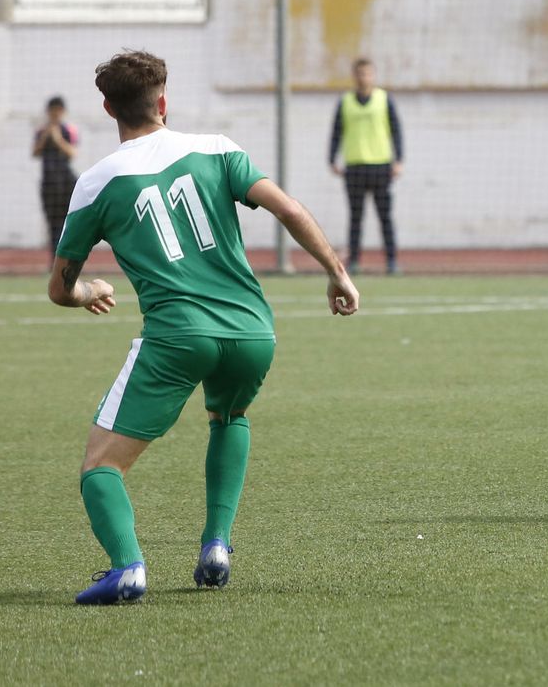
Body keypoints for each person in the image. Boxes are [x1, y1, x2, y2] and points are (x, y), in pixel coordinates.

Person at [48, 50, 360, 605]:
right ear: (163, 101)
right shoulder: (218, 149)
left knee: (100, 466)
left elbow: (59, 287)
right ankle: (217, 545)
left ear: (108, 108)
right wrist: (337, 272)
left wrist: (89, 291)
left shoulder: (98, 182)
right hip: (252, 332)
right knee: (230, 416)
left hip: (177, 336)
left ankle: (127, 568)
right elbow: (287, 209)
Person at [328, 57, 404, 274]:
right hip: (354, 167)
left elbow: (396, 130)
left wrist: (399, 160)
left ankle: (391, 260)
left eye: (368, 73)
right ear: (354, 76)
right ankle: (354, 261)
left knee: (385, 216)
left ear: (374, 75)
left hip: (381, 166)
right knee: (355, 217)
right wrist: (331, 158)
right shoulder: (345, 102)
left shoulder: (384, 99)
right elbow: (336, 131)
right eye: (360, 74)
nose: (364, 78)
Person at [32, 96, 79, 263]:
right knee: (53, 223)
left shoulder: (68, 130)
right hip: (49, 183)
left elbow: (73, 153)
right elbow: (35, 152)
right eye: (52, 111)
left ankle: (71, 259)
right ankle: (55, 261)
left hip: (66, 181)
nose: (55, 114)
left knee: (70, 221)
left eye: (58, 110)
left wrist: (58, 139)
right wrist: (47, 136)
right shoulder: (41, 131)